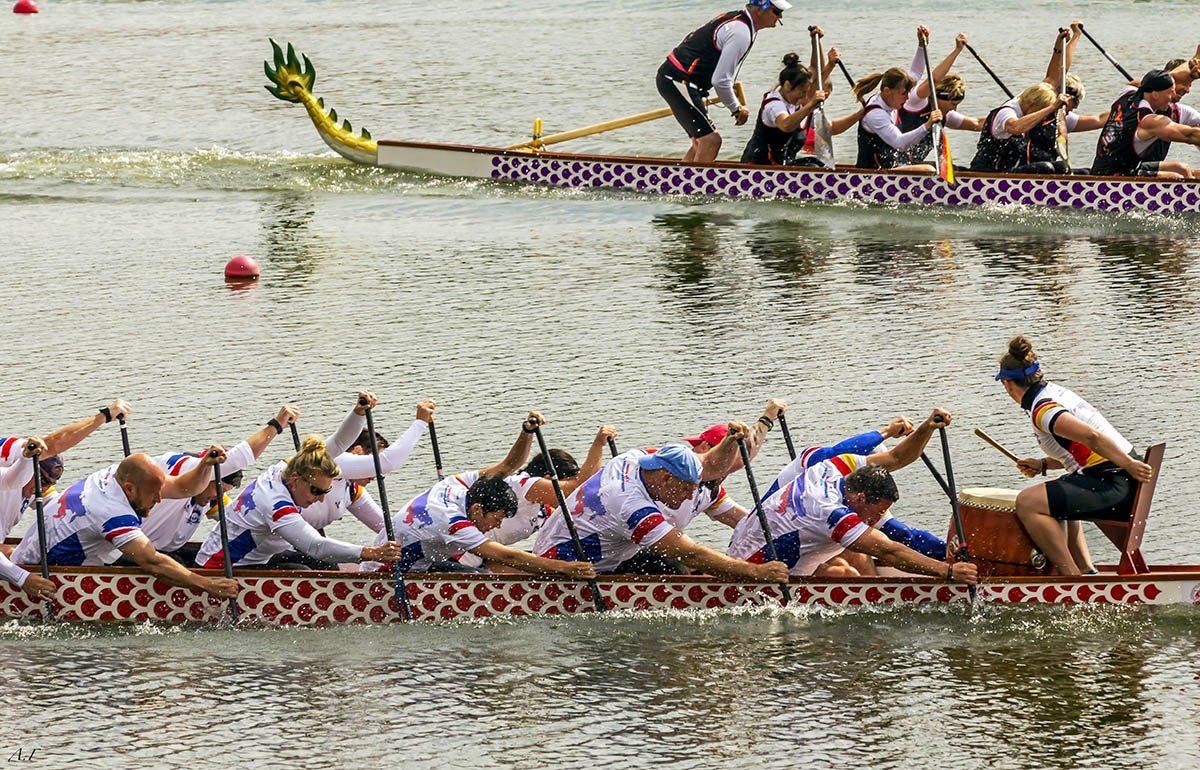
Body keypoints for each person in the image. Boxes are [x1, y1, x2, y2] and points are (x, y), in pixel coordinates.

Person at [727, 408, 968, 578]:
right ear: (861, 497)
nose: (878, 518)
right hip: (755, 571)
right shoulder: (829, 510)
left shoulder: (834, 468)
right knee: (849, 565)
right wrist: (947, 572)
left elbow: (896, 458)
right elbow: (888, 550)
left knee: (858, 551)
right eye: (878, 511)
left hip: (758, 543)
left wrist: (927, 427)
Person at [533, 424, 789, 583]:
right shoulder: (628, 504)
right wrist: (755, 573)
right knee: (681, 561)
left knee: (677, 563)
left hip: (612, 553)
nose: (690, 497)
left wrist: (728, 443)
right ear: (666, 478)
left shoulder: (641, 458)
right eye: (686, 490)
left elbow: (707, 463)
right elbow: (689, 552)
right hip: (565, 567)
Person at [362, 413, 597, 579]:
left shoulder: (457, 484)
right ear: (476, 510)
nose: (497, 525)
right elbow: (510, 557)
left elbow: (508, 465)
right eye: (495, 518)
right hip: (386, 576)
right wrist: (565, 569)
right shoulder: (455, 524)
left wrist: (526, 432)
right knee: (482, 578)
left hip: (414, 561)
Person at [994, 335, 1153, 576]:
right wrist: (1043, 464)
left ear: (1008, 384)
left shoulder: (1043, 410)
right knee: (1057, 495)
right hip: (1116, 474)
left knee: (1027, 503)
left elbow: (1092, 437)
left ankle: (1070, 578)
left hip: (1115, 481)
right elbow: (1083, 451)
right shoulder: (1055, 392)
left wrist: (1129, 464)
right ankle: (1086, 573)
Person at [193, 393, 405, 570]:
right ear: (295, 480)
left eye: (326, 491)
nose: (320, 498)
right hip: (223, 567)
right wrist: (372, 553)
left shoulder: (300, 464)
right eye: (315, 491)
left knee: (325, 567)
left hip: (260, 558)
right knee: (307, 569)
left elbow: (339, 442)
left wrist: (358, 413)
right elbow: (315, 546)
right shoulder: (275, 501)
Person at [11, 451, 238, 599]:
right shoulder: (110, 511)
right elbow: (152, 562)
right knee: (164, 561)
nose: (159, 499)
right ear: (130, 489)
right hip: (45, 573)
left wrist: (204, 466)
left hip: (53, 550)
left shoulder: (115, 475)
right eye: (153, 495)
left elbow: (180, 487)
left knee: (180, 556)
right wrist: (207, 585)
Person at [103, 404, 300, 567]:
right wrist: (276, 424)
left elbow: (234, 522)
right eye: (218, 489)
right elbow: (240, 457)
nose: (216, 496)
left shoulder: (211, 495)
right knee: (180, 562)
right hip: (129, 554)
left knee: (201, 558)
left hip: (163, 551)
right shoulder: (184, 468)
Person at [0, 400, 133, 598]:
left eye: (46, 483)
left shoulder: (29, 470)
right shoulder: (6, 454)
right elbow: (52, 444)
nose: (37, 491)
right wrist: (23, 578)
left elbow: (61, 505)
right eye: (39, 481)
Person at [460, 425, 618, 570]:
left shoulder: (545, 508)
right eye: (565, 482)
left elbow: (585, 506)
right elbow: (578, 491)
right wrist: (598, 444)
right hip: (462, 558)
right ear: (548, 478)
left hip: (486, 558)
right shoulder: (525, 485)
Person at [657, 0, 790, 163]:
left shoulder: (741, 22)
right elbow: (720, 81)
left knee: (700, 142)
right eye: (776, 11)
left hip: (682, 81)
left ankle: (678, 181)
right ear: (760, 10)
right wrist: (736, 108)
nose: (780, 16)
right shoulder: (740, 31)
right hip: (677, 80)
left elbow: (719, 76)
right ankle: (695, 187)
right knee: (711, 141)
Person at [971, 25, 1107, 174]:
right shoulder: (1007, 112)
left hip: (1013, 175)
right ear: (1031, 104)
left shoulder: (1038, 95)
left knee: (1085, 172)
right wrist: (1051, 108)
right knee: (1052, 167)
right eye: (1040, 110)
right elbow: (1015, 127)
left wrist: (1063, 45)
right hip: (988, 176)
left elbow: (1057, 74)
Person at [1091, 69, 1200, 178]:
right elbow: (1190, 135)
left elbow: (1135, 83)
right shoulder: (1150, 121)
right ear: (1155, 95)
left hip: (1100, 171)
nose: (1174, 96)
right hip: (1116, 181)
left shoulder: (1126, 94)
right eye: (1170, 92)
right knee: (1176, 178)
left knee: (1180, 168)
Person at [898, 30, 984, 166]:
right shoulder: (916, 101)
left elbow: (978, 124)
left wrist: (1017, 115)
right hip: (893, 164)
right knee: (940, 169)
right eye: (953, 104)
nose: (955, 109)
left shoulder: (945, 116)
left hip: (912, 166)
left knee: (955, 169)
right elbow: (935, 79)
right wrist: (957, 50)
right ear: (940, 97)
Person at [852, 66, 943, 172]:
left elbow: (916, 71)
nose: (907, 98)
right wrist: (927, 125)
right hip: (875, 174)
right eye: (903, 93)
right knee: (929, 170)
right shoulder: (875, 114)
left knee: (941, 164)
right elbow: (899, 142)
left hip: (894, 165)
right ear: (887, 91)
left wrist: (921, 49)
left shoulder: (890, 100)